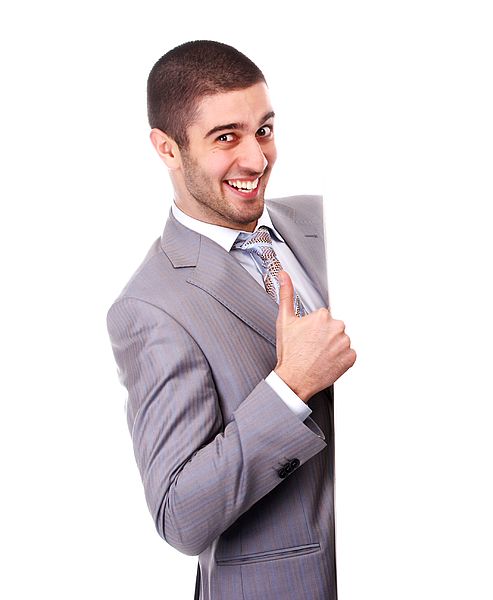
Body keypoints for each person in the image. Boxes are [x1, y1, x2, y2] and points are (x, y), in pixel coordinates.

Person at [106, 40, 356, 600]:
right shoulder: (149, 306)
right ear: (167, 149)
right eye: (226, 138)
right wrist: (291, 386)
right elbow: (180, 515)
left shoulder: (330, 220)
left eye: (264, 129)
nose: (256, 159)